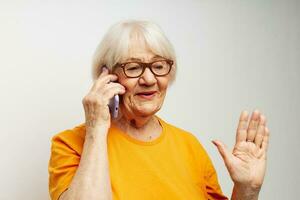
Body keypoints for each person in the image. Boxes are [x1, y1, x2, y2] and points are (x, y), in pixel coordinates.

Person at [48, 20, 270, 200]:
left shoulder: (189, 146)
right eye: (133, 67)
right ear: (107, 76)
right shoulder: (71, 143)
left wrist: (247, 190)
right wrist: (96, 129)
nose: (149, 79)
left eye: (158, 66)